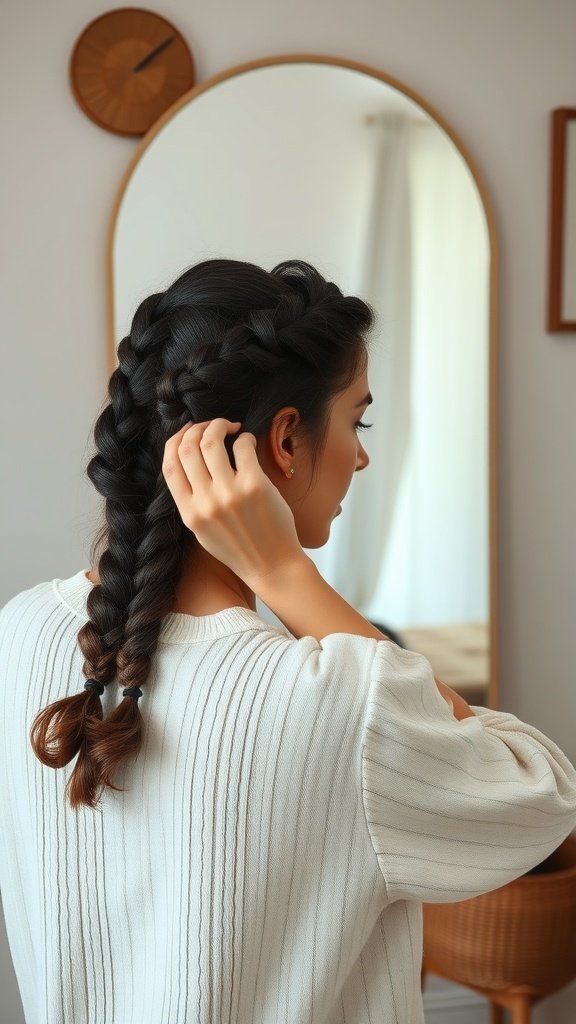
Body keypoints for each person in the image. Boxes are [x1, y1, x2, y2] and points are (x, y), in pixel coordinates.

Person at [1, 258, 575, 1024]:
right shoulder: (338, 704)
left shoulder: (20, 631)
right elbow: (536, 796)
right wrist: (284, 572)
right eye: (357, 419)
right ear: (284, 442)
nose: (363, 455)